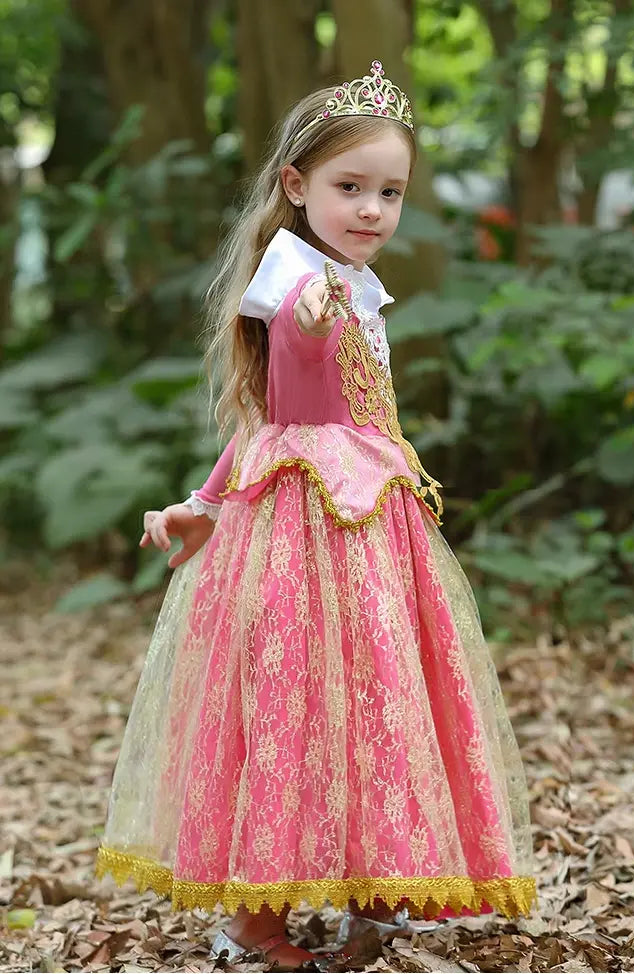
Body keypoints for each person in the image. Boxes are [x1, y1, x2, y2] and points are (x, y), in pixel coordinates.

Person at [95, 60, 536, 972]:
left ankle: (380, 878)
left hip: (373, 515)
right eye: (350, 188)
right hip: (301, 521)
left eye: (390, 192)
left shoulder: (352, 284)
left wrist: (204, 500)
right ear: (296, 187)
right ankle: (253, 917)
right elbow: (277, 409)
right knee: (292, 694)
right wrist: (208, 505)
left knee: (382, 687)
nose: (372, 209)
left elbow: (279, 414)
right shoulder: (299, 282)